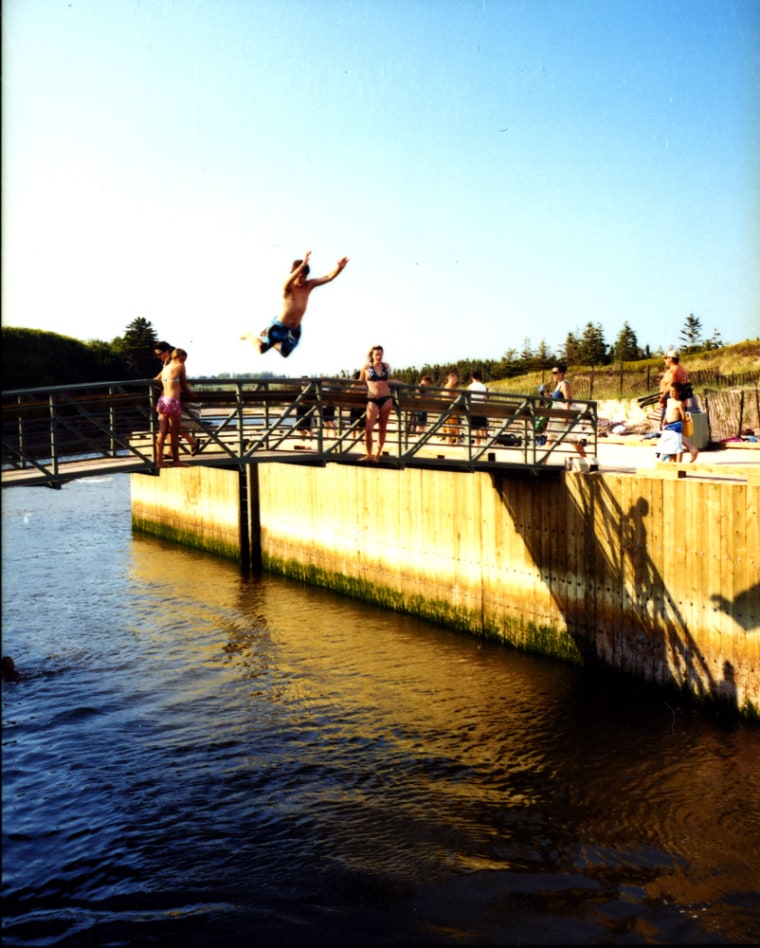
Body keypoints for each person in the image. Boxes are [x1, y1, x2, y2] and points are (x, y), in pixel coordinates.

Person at [241, 250, 349, 358]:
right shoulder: (287, 288)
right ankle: (249, 335)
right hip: (279, 326)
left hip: (295, 329)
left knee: (285, 353)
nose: (302, 279)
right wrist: (302, 265)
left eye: (305, 277)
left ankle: (275, 343)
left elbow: (328, 277)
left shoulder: (308, 286)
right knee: (261, 349)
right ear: (294, 273)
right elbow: (289, 279)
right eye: (300, 276)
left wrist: (339, 268)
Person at [152, 343, 199, 456]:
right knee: (170, 426)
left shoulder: (171, 362)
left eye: (159, 354)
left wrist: (152, 382)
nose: (159, 357)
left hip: (172, 398)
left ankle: (175, 452)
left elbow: (178, 380)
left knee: (171, 427)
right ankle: (189, 443)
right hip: (168, 398)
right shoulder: (169, 362)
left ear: (167, 351)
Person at [359, 344, 397, 461]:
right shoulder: (366, 368)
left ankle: (377, 455)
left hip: (386, 398)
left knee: (382, 428)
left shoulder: (386, 366)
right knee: (368, 428)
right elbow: (360, 382)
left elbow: (387, 381)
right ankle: (369, 454)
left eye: (380, 354)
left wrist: (398, 382)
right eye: (377, 354)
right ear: (372, 355)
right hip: (372, 399)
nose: (379, 356)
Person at [659, 349, 698, 462]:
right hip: (680, 402)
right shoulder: (682, 370)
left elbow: (672, 388)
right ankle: (673, 459)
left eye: (666, 358)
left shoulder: (673, 371)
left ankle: (690, 449)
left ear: (670, 359)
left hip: (672, 405)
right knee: (674, 433)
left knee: (668, 431)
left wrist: (662, 398)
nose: (665, 361)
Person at [548, 364, 587, 458]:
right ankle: (542, 464)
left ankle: (587, 461)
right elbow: (556, 400)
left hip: (564, 417)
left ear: (562, 373)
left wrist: (566, 417)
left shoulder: (564, 384)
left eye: (555, 373)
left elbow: (567, 401)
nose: (554, 375)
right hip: (557, 418)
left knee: (574, 443)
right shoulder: (558, 384)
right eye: (552, 373)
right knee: (550, 440)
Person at [658, 380, 687, 461]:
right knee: (666, 442)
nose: (671, 393)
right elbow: (667, 412)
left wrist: (684, 420)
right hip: (668, 425)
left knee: (677, 445)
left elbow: (683, 415)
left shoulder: (679, 403)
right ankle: (670, 460)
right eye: (670, 391)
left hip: (676, 425)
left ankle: (678, 463)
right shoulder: (669, 401)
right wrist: (663, 423)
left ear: (679, 392)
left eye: (674, 392)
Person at [467, 370, 488, 445]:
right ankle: (484, 442)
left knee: (475, 427)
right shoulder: (483, 386)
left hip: (473, 407)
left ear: (472, 377)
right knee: (483, 426)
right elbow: (485, 398)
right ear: (479, 377)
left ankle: (477, 442)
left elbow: (467, 398)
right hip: (481, 407)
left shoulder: (470, 386)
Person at [442, 371, 461, 444]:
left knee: (454, 425)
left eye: (456, 379)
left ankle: (454, 441)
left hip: (452, 407)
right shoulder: (449, 386)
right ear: (451, 378)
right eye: (455, 378)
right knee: (451, 425)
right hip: (450, 407)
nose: (456, 380)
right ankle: (451, 441)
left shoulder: (450, 386)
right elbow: (448, 397)